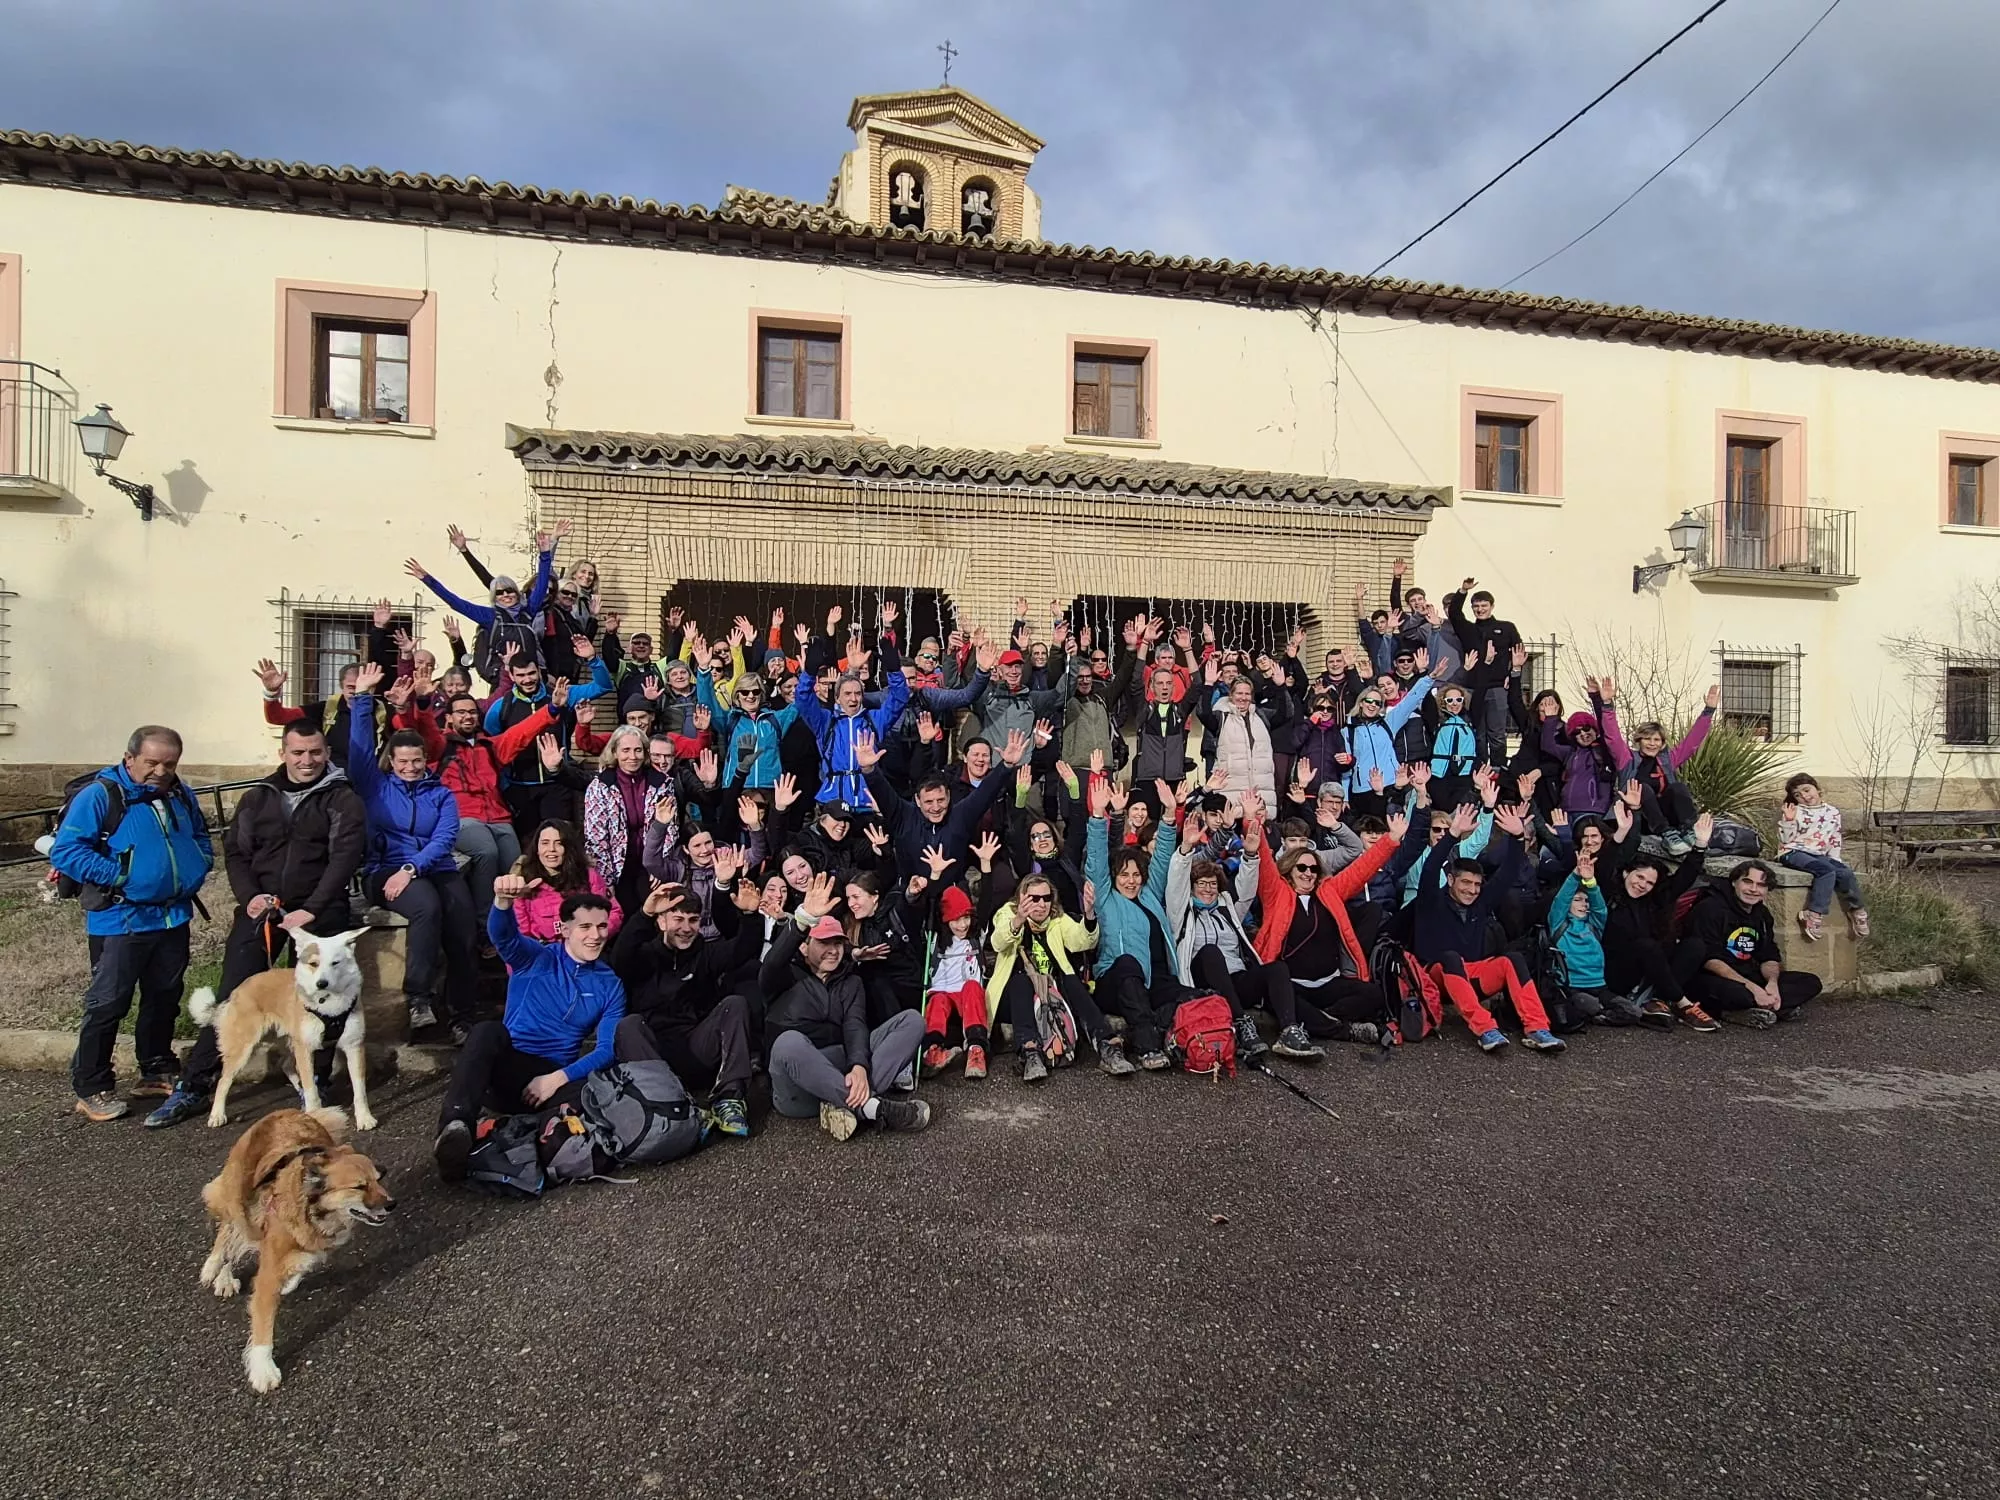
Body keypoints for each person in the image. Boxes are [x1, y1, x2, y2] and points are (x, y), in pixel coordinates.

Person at [145, 721, 367, 1129]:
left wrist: (312, 909)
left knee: (323, 1002)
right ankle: (194, 1086)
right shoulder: (258, 797)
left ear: (326, 753)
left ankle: (313, 1081)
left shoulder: (343, 799)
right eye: (298, 753)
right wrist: (251, 898)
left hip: (318, 913)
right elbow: (237, 853)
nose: (307, 760)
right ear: (283, 753)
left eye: (315, 752)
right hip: (264, 910)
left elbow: (344, 858)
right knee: (235, 997)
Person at [54, 726, 214, 1122]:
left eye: (169, 763)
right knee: (109, 1003)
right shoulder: (101, 796)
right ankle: (92, 1086)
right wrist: (122, 877)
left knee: (164, 994)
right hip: (120, 919)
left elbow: (198, 834)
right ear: (130, 759)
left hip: (172, 914)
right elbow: (67, 851)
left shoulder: (179, 792)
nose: (161, 770)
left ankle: (155, 1067)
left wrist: (199, 864)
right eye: (152, 762)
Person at [433, 875, 625, 1181]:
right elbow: (504, 937)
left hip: (553, 1082)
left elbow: (605, 1049)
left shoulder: (609, 983)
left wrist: (555, 1078)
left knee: (598, 1086)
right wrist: (503, 902)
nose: (595, 935)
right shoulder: (536, 957)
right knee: (486, 1031)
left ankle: (516, 1141)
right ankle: (454, 1129)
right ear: (564, 930)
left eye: (602, 926)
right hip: (507, 1070)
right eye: (585, 927)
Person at [350, 668, 478, 1036]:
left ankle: (462, 1015)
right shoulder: (375, 787)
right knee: (426, 905)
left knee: (463, 923)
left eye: (416, 761)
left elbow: (444, 838)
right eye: (402, 762)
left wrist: (412, 867)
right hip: (383, 871)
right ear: (391, 761)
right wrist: (362, 699)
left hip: (430, 866)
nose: (409, 768)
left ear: (426, 760)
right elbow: (359, 751)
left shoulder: (440, 794)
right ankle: (418, 997)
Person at [761, 873, 931, 1141]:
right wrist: (803, 919)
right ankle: (873, 1107)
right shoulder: (783, 975)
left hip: (842, 1070)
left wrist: (859, 1066)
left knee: (912, 1021)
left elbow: (855, 1025)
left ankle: (847, 1104)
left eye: (838, 942)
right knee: (788, 1042)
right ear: (804, 948)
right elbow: (771, 963)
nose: (833, 950)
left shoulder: (850, 980)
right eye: (824, 942)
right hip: (797, 1088)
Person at [609, 857, 759, 1138]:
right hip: (655, 1057)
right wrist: (643, 914)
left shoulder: (704, 953)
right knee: (627, 1026)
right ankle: (677, 1105)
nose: (686, 927)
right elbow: (619, 960)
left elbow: (743, 951)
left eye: (693, 920)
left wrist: (751, 916)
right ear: (662, 921)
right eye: (678, 919)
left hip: (697, 1048)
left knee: (735, 1004)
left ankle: (729, 1099)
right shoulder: (645, 955)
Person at [1409, 804, 1566, 1054]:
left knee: (1511, 960)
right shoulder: (1433, 899)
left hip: (1471, 975)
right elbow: (1430, 869)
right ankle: (1485, 1029)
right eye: (1466, 883)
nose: (1472, 890)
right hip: (1436, 975)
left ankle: (1537, 1028)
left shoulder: (1480, 901)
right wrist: (1453, 835)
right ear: (1450, 880)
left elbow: (1508, 873)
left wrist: (1516, 837)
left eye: (1477, 884)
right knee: (1451, 958)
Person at [1084, 776, 1184, 1070]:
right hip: (1114, 983)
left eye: (1136, 875)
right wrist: (1097, 815)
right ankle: (1147, 1046)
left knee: (1192, 997)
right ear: (1115, 878)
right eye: (1124, 875)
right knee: (1128, 962)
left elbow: (1163, 856)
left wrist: (1168, 814)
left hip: (1154, 983)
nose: (1131, 881)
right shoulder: (1106, 898)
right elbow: (1097, 860)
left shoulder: (1150, 895)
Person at [990, 872, 1130, 1081]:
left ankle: (1106, 1044)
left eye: (1046, 898)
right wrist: (1019, 919)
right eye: (1034, 898)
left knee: (1071, 979)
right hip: (1015, 996)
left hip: (1053, 993)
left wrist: (1089, 915)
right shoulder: (1008, 913)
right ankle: (1030, 1052)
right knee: (1021, 980)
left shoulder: (1057, 918)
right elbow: (997, 942)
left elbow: (1081, 941)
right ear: (1022, 897)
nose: (1041, 904)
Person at [1677, 861, 1822, 1026]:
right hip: (1714, 977)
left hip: (1749, 974)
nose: (1754, 889)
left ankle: (1760, 1007)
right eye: (1748, 882)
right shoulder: (1710, 909)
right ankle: (1742, 1010)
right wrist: (1753, 988)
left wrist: (1772, 985)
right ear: (1734, 882)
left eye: (1761, 885)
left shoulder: (1762, 914)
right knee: (1738, 994)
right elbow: (1710, 960)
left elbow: (1768, 955)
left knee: (1810, 982)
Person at [581, 725, 674, 915]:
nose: (633, 756)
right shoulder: (600, 786)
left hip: (650, 864)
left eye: (638, 750)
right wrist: (606, 880)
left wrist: (658, 867)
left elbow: (670, 829)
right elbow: (596, 838)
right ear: (614, 752)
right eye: (626, 750)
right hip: (616, 868)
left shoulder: (662, 783)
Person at [1617, 685, 1718, 854]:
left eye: (1656, 739)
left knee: (1678, 787)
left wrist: (1708, 711)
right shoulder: (1627, 759)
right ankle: (1666, 835)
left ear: (1662, 743)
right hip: (1639, 817)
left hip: (1666, 815)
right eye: (1647, 739)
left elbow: (1691, 743)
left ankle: (1688, 830)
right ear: (1638, 741)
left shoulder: (1667, 760)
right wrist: (1605, 705)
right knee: (1644, 789)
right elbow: (1612, 737)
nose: (1652, 743)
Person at [1778, 773, 1869, 941]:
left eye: (1807, 790)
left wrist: (1836, 860)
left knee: (1845, 873)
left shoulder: (1833, 812)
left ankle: (1856, 910)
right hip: (1793, 852)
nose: (1805, 796)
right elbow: (1785, 840)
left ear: (1818, 789)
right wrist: (1789, 821)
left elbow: (1834, 838)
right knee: (1825, 871)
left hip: (1818, 854)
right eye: (1798, 795)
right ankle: (1813, 913)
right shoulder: (1795, 811)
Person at [1443, 577, 1522, 766]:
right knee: (1477, 732)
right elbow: (1454, 613)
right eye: (1476, 606)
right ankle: (1477, 771)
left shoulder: (1506, 627)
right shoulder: (1468, 629)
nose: (1480, 609)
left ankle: (1498, 771)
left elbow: (1519, 654)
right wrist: (1463, 591)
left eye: (1484, 605)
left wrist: (1512, 675)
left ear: (1492, 606)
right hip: (1474, 688)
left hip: (1497, 687)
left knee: (1497, 734)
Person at [510, 819, 621, 945]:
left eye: (559, 843)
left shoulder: (588, 875)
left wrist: (593, 938)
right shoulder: (525, 882)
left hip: (585, 951)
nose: (551, 849)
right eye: (545, 843)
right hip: (543, 955)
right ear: (537, 849)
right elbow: (519, 933)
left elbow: (614, 913)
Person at [919, 885, 991, 1079]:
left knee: (972, 987)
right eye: (956, 920)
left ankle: (976, 1051)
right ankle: (932, 1052)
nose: (962, 925)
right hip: (943, 992)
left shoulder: (976, 938)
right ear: (945, 920)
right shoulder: (935, 938)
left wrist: (985, 867)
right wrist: (934, 880)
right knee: (937, 999)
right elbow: (925, 909)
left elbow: (986, 901)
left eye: (966, 918)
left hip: (967, 992)